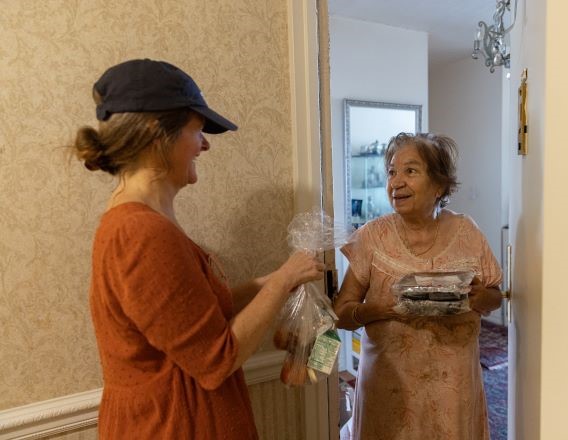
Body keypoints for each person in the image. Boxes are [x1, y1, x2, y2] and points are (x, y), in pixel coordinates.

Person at [70, 59, 325, 439]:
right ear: (159, 134)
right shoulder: (142, 232)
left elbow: (196, 315)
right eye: (198, 130)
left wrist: (274, 281)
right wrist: (282, 281)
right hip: (173, 426)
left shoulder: (140, 223)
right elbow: (216, 359)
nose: (204, 144)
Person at [334, 132, 502, 440]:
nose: (396, 182)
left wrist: (479, 297)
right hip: (390, 387)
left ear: (439, 185)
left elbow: (495, 296)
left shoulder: (467, 231)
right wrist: (379, 310)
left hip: (453, 386)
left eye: (410, 171)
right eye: (391, 172)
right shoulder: (371, 237)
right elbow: (341, 313)